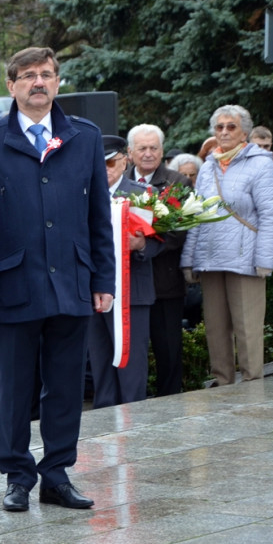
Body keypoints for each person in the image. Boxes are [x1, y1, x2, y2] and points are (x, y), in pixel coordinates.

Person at [0, 46, 115, 512]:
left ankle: (57, 474)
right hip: (13, 284)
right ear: (12, 86)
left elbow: (98, 216)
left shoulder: (84, 137)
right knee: (14, 388)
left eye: (46, 74)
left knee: (65, 387)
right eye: (28, 75)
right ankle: (17, 476)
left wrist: (103, 279)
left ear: (58, 82)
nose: (38, 82)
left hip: (71, 281)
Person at [181, 104, 273, 385]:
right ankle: (222, 385)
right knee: (215, 328)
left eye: (231, 127)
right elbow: (197, 215)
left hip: (245, 259)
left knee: (247, 329)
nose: (224, 132)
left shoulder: (261, 163)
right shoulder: (207, 167)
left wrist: (264, 259)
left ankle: (252, 387)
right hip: (210, 257)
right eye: (219, 127)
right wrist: (189, 260)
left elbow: (271, 215)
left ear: (244, 133)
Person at [88, 136, 161, 408]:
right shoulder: (83, 193)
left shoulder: (143, 194)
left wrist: (141, 245)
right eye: (98, 164)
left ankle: (134, 421)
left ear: (124, 162)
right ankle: (105, 419)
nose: (104, 169)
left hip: (133, 292)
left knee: (131, 367)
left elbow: (162, 239)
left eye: (110, 163)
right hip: (93, 291)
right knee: (100, 363)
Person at [126, 124, 192, 397]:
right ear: (130, 152)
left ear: (162, 151)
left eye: (154, 148)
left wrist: (145, 244)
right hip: (128, 285)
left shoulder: (178, 183)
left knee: (168, 352)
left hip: (164, 282)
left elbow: (180, 231)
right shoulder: (117, 181)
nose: (148, 153)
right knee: (130, 354)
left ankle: (170, 406)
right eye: (142, 148)